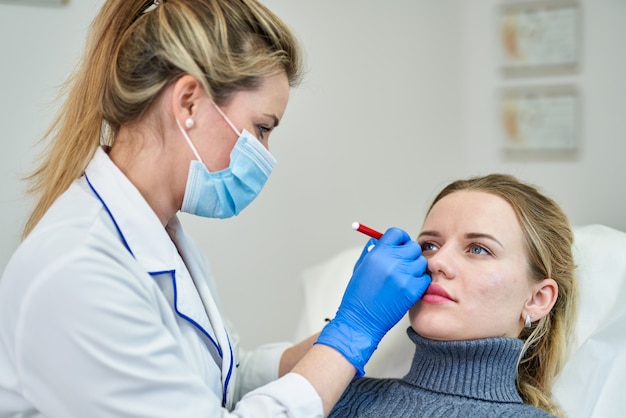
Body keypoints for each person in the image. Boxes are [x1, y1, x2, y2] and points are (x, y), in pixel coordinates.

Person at [0, 1, 432, 416]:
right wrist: (351, 334)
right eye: (261, 129)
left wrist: (339, 334)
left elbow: (221, 380)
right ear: (188, 101)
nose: (265, 154)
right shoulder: (78, 270)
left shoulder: (164, 237)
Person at [329, 173, 578, 418]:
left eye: (478, 249)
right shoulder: (331, 397)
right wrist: (354, 323)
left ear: (537, 299)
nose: (437, 261)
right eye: (429, 246)